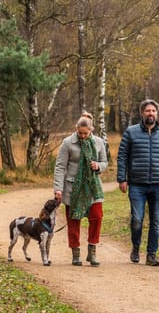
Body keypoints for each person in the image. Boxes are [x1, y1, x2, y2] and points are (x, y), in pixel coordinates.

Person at [117, 99, 159, 267]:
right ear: (142, 113)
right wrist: (122, 178)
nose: (150, 113)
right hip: (137, 184)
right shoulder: (131, 132)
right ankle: (136, 247)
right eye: (147, 111)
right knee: (137, 219)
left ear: (156, 113)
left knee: (156, 221)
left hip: (157, 185)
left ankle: (151, 254)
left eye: (153, 111)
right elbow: (122, 156)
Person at [53, 112, 108, 266]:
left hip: (93, 187)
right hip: (73, 188)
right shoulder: (67, 143)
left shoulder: (98, 142)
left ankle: (92, 250)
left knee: (97, 217)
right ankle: (75, 253)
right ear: (76, 129)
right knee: (73, 221)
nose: (83, 136)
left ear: (91, 130)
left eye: (86, 133)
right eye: (80, 133)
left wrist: (98, 166)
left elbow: (105, 162)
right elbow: (60, 166)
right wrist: (58, 188)